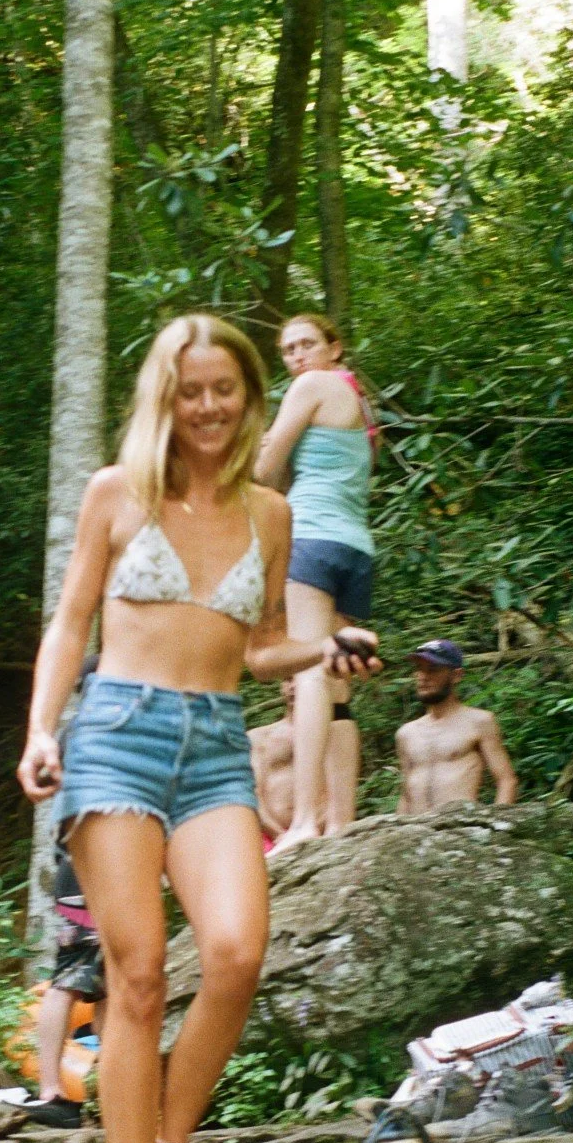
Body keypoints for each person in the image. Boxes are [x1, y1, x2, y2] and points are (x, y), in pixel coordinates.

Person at [17, 312, 378, 1143]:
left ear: (250, 397)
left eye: (225, 389)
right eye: (191, 390)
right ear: (164, 399)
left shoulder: (270, 512)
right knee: (135, 976)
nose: (209, 406)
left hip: (216, 743)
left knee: (234, 953)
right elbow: (70, 623)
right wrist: (41, 727)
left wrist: (327, 645)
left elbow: (259, 647)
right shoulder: (117, 494)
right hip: (116, 738)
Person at [254, 312, 377, 850]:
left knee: (307, 669)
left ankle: (305, 821)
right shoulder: (361, 405)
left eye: (307, 344)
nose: (297, 356)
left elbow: (265, 471)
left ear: (334, 347)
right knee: (337, 682)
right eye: (288, 350)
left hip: (309, 536)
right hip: (355, 546)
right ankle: (341, 821)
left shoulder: (312, 386)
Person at [19, 843, 108, 1129]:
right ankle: (51, 1092)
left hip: (88, 866)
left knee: (111, 985)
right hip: (94, 865)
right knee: (69, 979)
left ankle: (107, 1097)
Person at [396, 640, 518, 814]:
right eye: (419, 669)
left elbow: (506, 780)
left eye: (433, 669)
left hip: (458, 830)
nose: (423, 676)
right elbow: (406, 793)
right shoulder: (406, 733)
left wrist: (496, 828)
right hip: (415, 832)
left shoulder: (479, 722)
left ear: (457, 675)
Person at [249, 679, 360, 845]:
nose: (294, 686)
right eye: (287, 680)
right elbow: (251, 793)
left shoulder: (339, 735)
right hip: (269, 837)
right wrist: (279, 836)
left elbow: (342, 787)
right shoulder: (259, 737)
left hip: (325, 835)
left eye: (299, 679)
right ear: (281, 687)